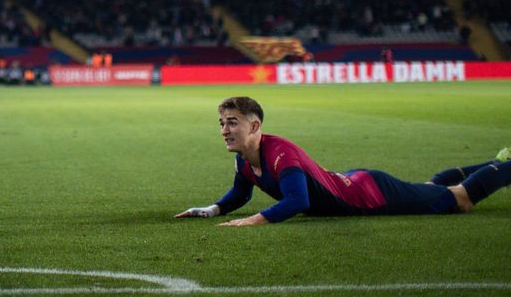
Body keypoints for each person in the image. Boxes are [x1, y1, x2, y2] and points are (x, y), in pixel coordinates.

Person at [176, 96, 511, 225]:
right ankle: (497, 161)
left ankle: (504, 167)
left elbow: (298, 200)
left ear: (255, 125)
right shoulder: (245, 161)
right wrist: (211, 210)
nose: (224, 130)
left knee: (460, 200)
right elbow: (240, 195)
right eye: (221, 123)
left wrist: (251, 222)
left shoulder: (281, 155)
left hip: (370, 196)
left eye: (232, 122)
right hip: (357, 182)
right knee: (430, 188)